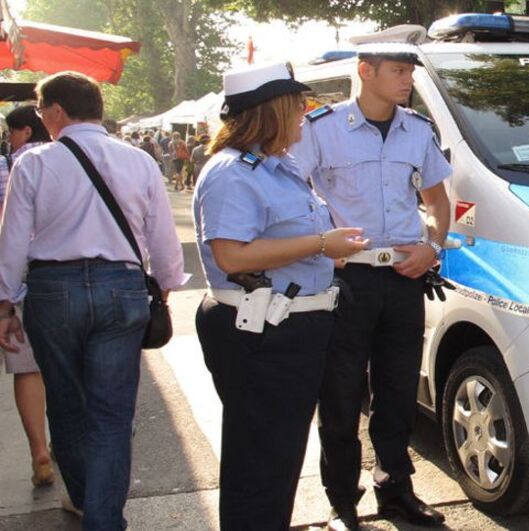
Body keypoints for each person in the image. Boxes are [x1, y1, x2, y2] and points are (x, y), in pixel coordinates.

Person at [0, 71, 187, 530]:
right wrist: (163, 285)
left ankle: (85, 498)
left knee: (66, 405)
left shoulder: (35, 162)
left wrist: (4, 304)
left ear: (58, 111)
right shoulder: (138, 160)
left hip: (52, 290)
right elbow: (162, 237)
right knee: (111, 412)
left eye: (43, 109)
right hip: (121, 287)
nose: (42, 118)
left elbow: (13, 241)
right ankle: (104, 518)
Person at [193, 61, 368, 531]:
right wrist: (318, 246)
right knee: (261, 465)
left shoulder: (279, 166)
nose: (305, 114)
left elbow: (278, 237)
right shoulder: (233, 171)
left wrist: (325, 255)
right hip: (262, 330)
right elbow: (231, 255)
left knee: (278, 459)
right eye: (297, 106)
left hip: (289, 326)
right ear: (270, 112)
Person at [292, 44, 452, 529]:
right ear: (366, 71)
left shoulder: (417, 130)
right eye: (398, 71)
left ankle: (396, 490)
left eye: (409, 72)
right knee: (340, 395)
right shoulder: (321, 130)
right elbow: (292, 192)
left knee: (398, 391)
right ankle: (342, 501)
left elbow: (438, 201)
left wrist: (433, 247)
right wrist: (320, 243)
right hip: (346, 278)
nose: (407, 81)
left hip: (404, 275)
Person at [0, 104, 55, 488]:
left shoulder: (14, 166)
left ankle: (39, 450)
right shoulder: (66, 161)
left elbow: (11, 235)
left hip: (19, 275)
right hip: (60, 274)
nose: (8, 139)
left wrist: (5, 300)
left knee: (27, 367)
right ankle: (68, 449)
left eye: (10, 132)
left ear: (22, 131)